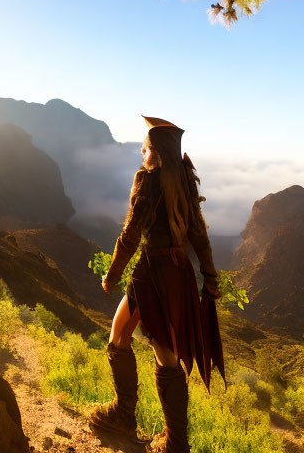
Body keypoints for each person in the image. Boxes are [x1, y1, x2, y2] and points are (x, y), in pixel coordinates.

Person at [88, 116, 224, 453]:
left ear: (156, 153)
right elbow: (199, 234)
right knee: (155, 348)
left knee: (132, 341)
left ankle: (128, 418)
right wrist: (209, 276)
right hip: (179, 276)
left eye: (145, 148)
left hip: (151, 273)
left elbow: (132, 233)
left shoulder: (148, 181)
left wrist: (114, 273)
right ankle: (172, 439)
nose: (141, 152)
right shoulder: (185, 182)